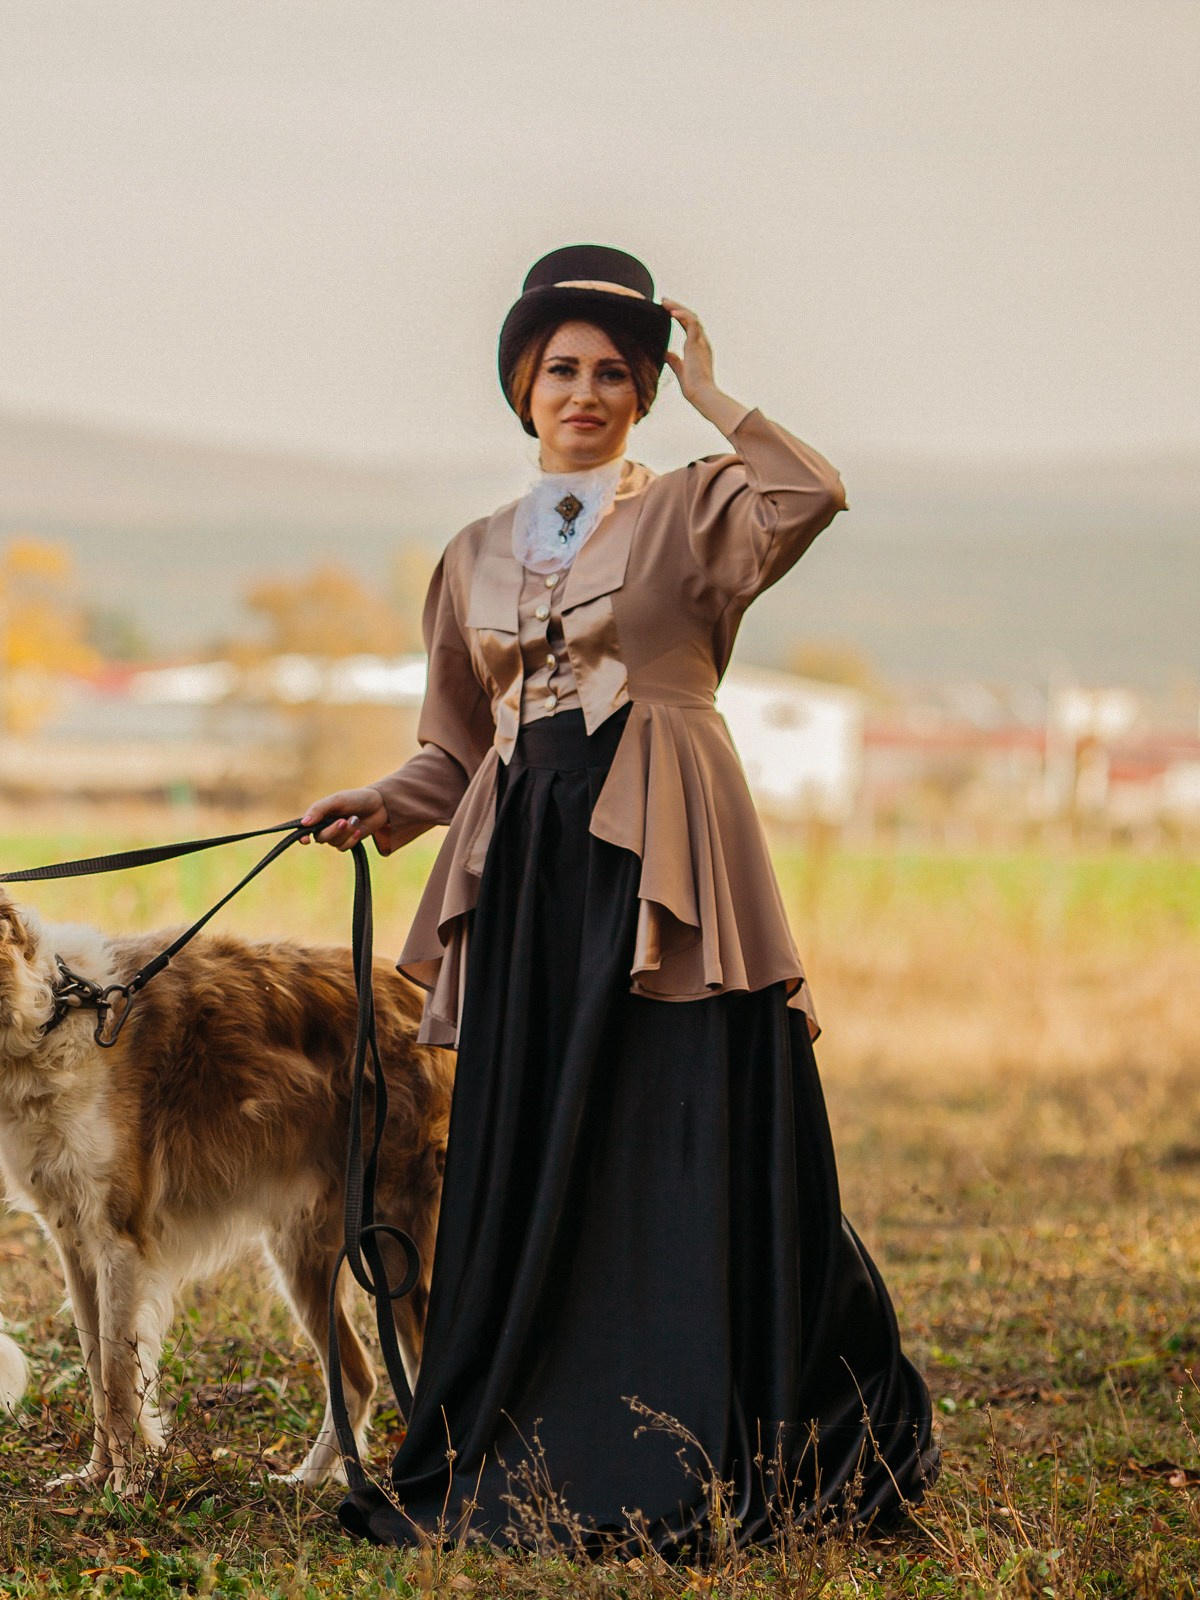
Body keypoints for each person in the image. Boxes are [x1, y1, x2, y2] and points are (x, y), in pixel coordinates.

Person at [302, 245, 937, 1553]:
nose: (583, 392)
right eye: (558, 370)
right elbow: (455, 748)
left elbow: (811, 489)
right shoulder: (473, 555)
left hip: (665, 861)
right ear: (522, 389)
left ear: (640, 391)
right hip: (532, 868)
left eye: (612, 372)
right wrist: (383, 802)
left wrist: (717, 392)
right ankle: (538, 1421)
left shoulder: (698, 508)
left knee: (685, 1129)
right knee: (536, 1142)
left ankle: (718, 1419)